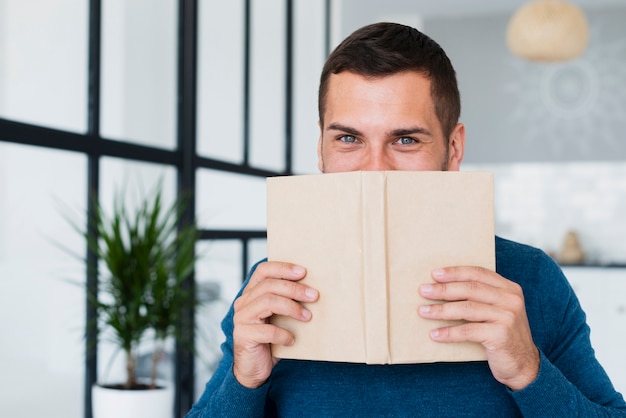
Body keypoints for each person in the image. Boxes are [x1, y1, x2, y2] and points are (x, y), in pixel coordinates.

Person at [187, 22, 626, 417]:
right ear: (320, 150)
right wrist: (244, 382)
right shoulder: (270, 289)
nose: (375, 168)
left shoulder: (532, 279)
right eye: (348, 138)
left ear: (453, 150)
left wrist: (530, 372)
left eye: (405, 139)